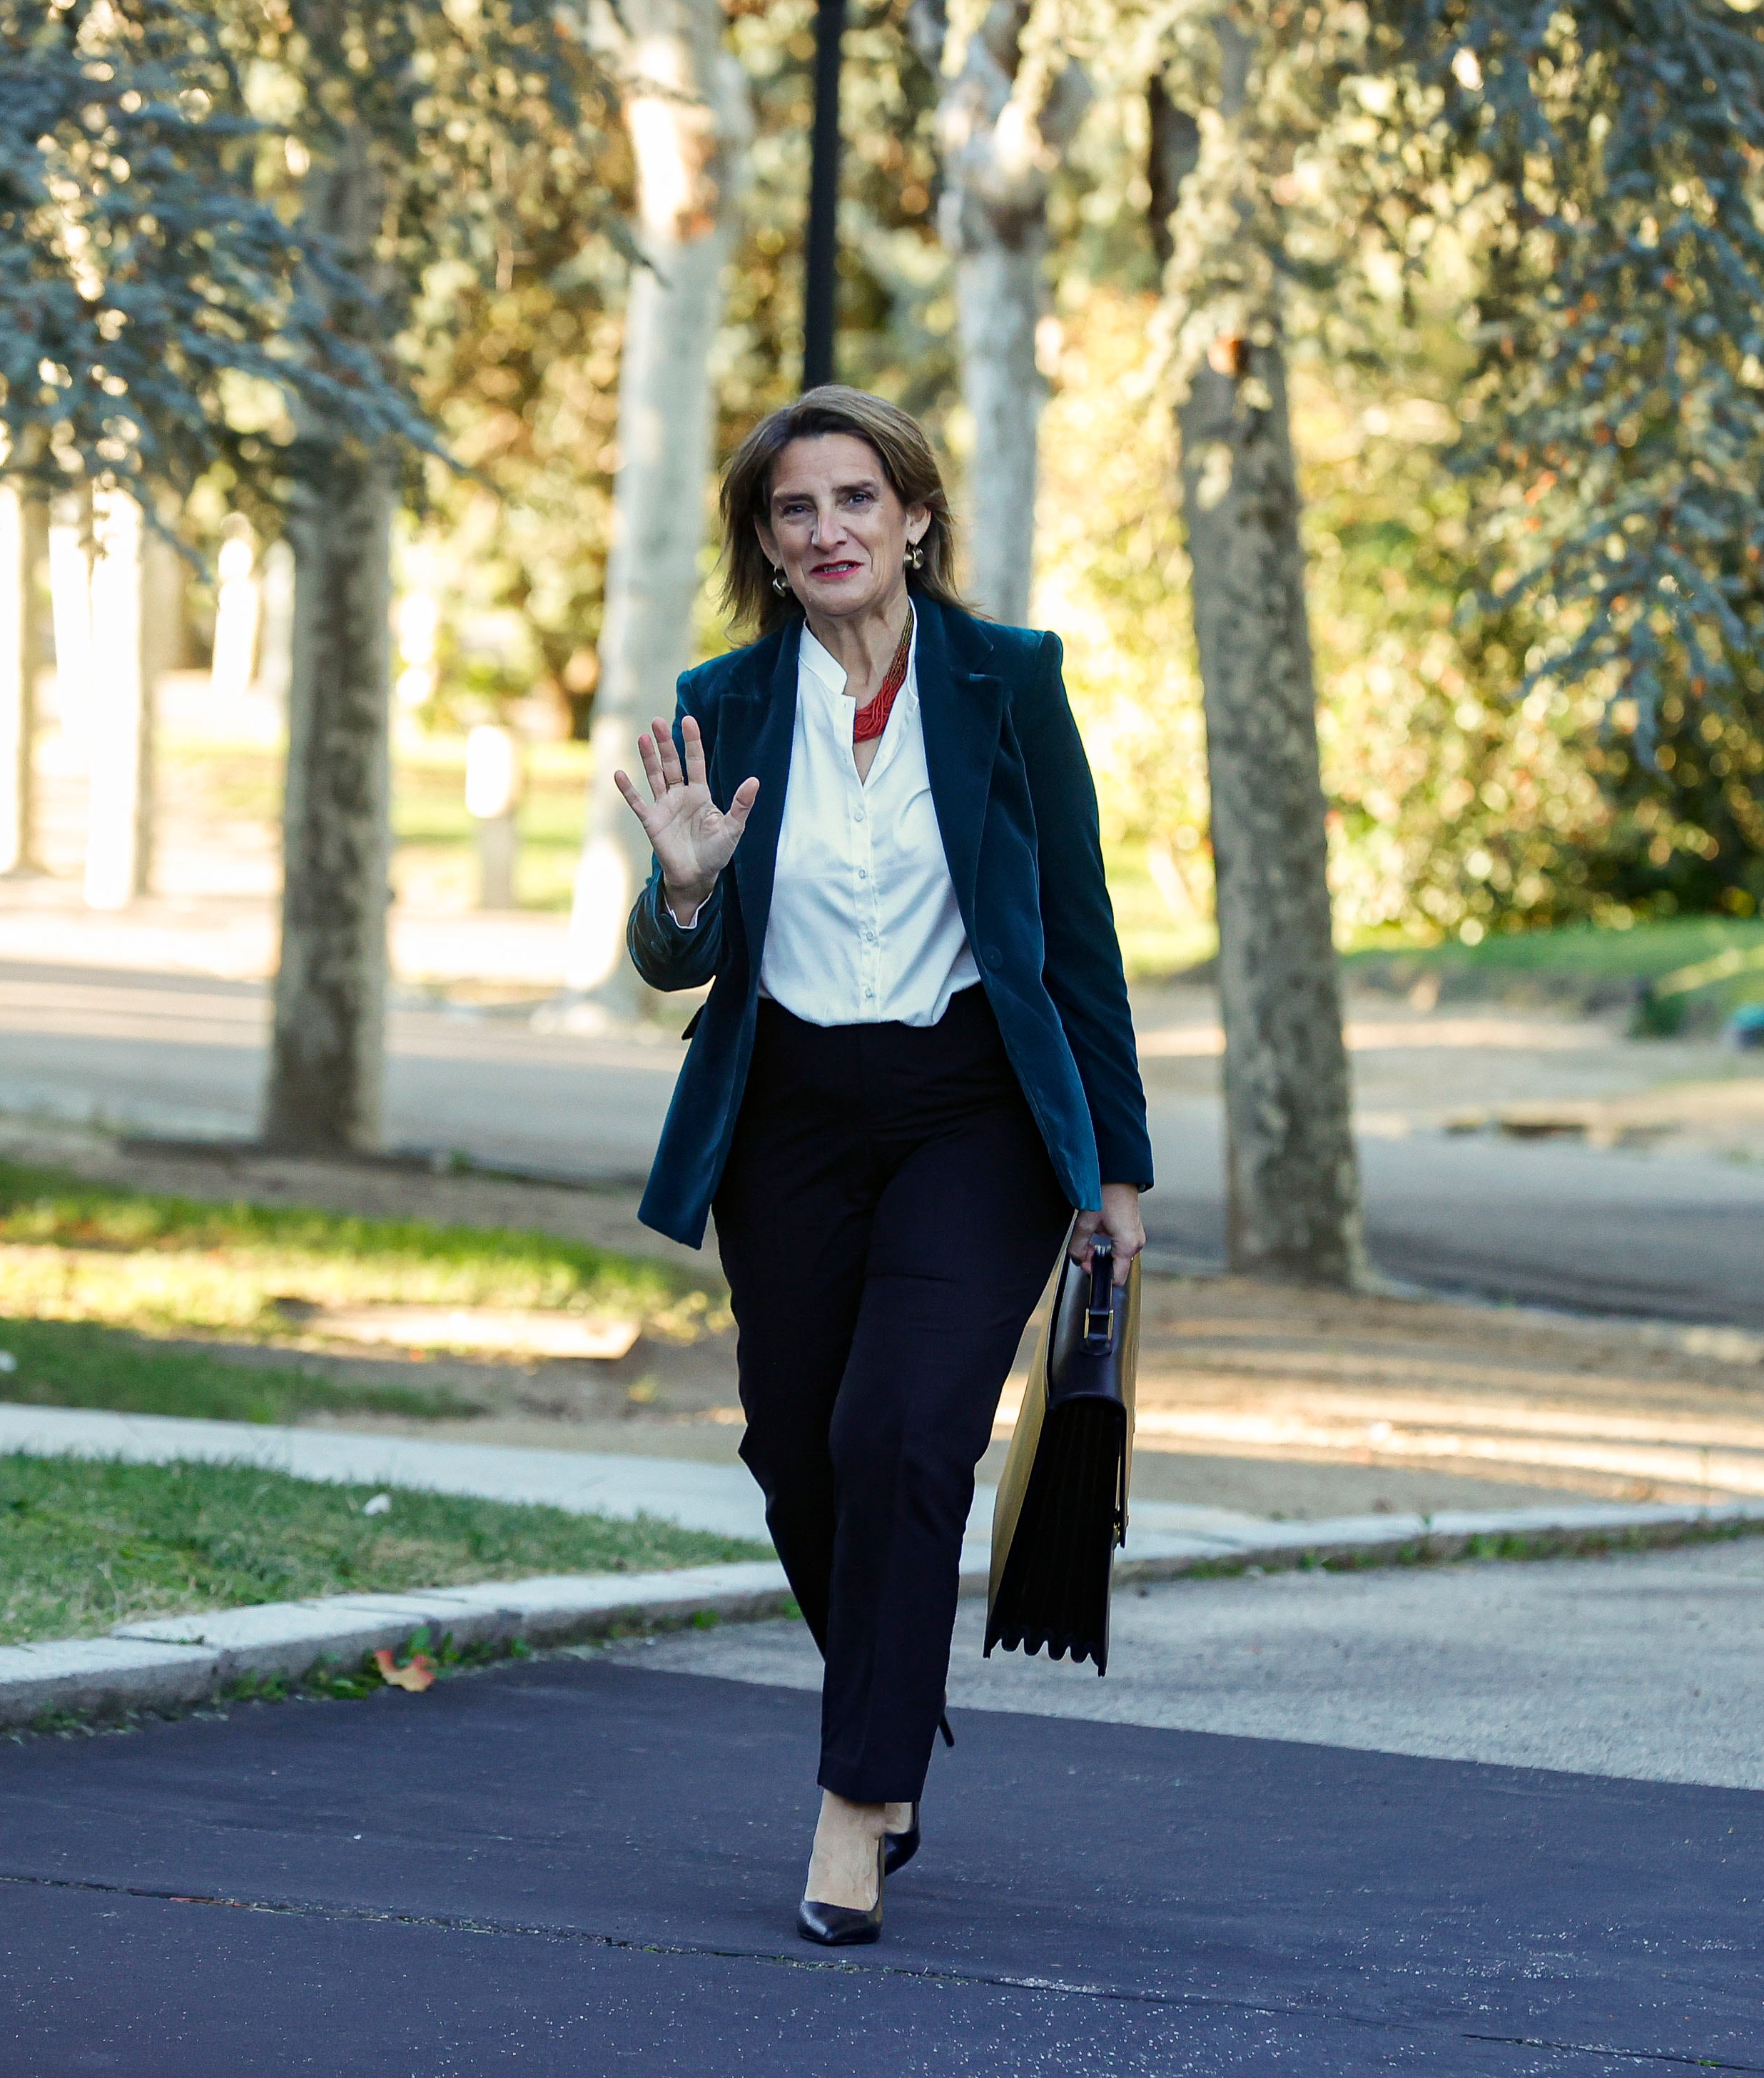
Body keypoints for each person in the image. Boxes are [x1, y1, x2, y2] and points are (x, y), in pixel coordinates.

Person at [610, 386, 1152, 1946]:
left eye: (859, 499)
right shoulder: (725, 699)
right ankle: (892, 1708)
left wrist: (1117, 1170)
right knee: (799, 1451)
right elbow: (668, 954)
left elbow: (1080, 934)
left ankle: (856, 1806)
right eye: (797, 510)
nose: (830, 529)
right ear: (768, 548)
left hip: (970, 1105)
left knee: (907, 1430)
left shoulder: (1009, 681)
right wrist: (688, 885)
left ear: (915, 518)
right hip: (786, 1111)